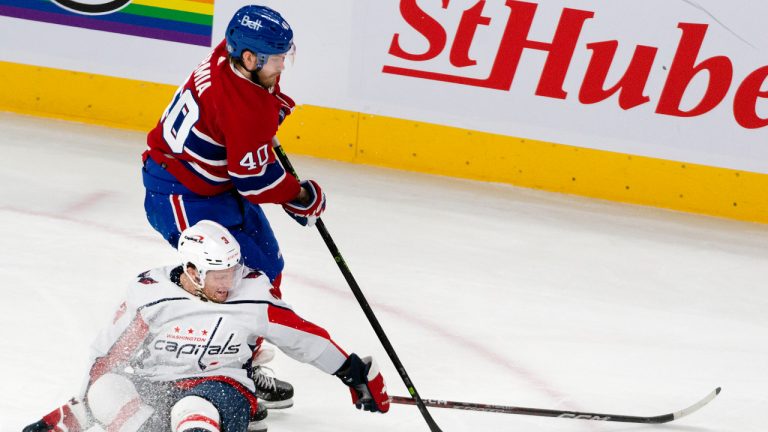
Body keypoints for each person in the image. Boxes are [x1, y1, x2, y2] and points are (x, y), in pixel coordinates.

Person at [22, 220, 389, 432]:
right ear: (193, 271)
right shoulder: (152, 296)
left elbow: (302, 336)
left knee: (194, 405)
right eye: (218, 275)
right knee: (106, 391)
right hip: (157, 388)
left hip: (223, 389)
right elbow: (109, 354)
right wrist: (78, 408)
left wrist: (351, 371)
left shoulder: (254, 295)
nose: (228, 283)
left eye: (232, 271)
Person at [142, 3, 323, 413]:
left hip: (212, 185)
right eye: (277, 58)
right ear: (249, 58)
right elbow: (255, 180)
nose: (282, 65)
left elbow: (246, 154)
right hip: (180, 192)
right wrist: (301, 196)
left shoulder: (230, 55)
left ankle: (243, 360)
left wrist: (270, 159)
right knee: (222, 285)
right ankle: (216, 375)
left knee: (264, 270)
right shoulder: (246, 107)